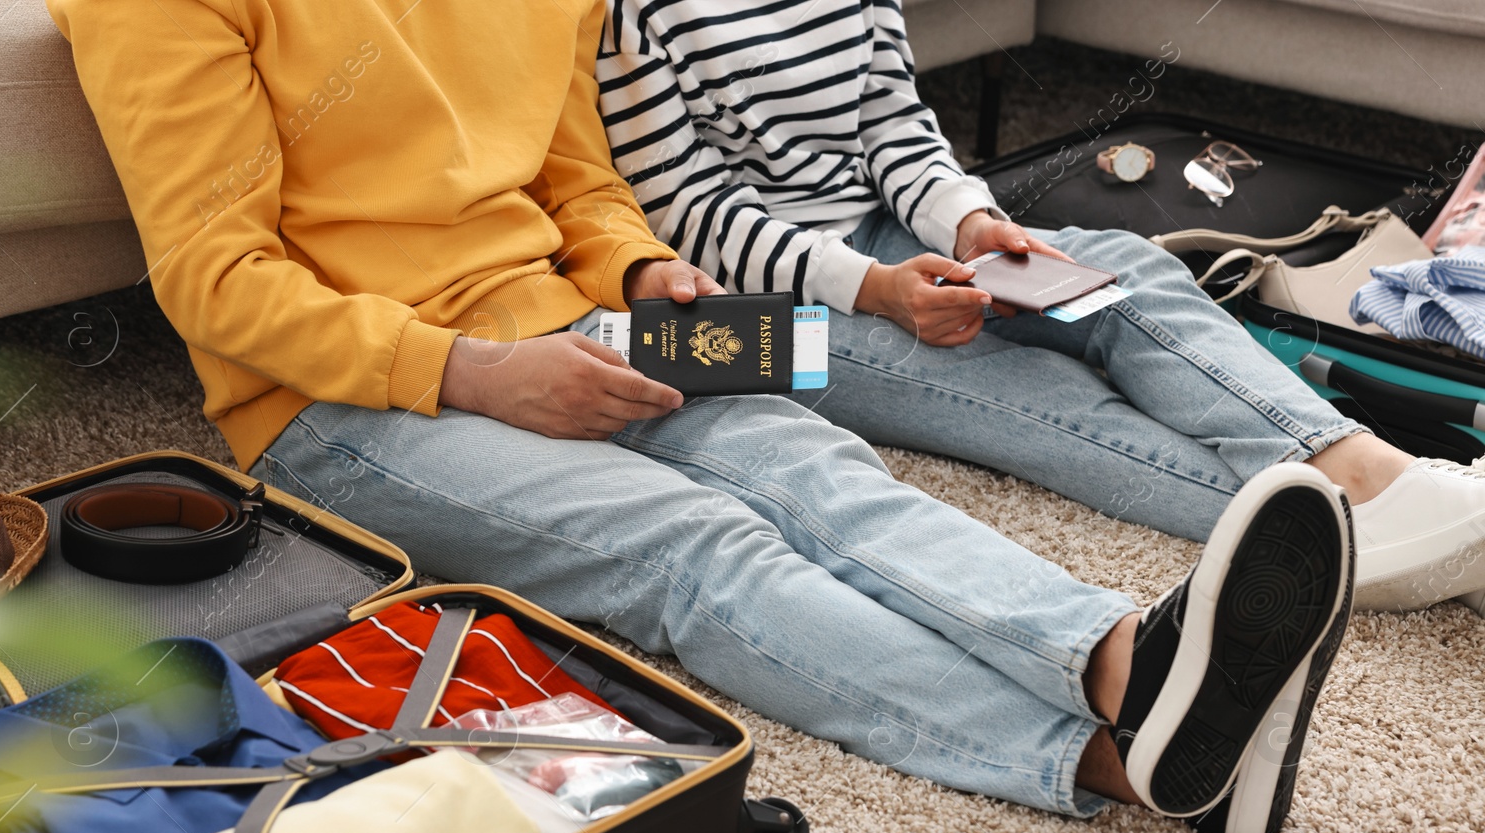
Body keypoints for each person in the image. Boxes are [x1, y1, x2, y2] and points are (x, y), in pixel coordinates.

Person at [45, 0, 1354, 833]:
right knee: (691, 541)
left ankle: (1136, 660)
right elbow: (215, 284)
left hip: (591, 312)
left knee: (819, 446)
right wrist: (481, 372)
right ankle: (1119, 754)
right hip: (351, 391)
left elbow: (580, 182)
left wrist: (642, 275)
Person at [595, 0, 1485, 614]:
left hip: (889, 234)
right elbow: (688, 213)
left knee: (1119, 272)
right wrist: (875, 292)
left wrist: (974, 223)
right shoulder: (629, 13)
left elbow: (893, 125)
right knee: (1020, 388)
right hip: (721, 317)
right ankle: (1338, 534)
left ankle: (1369, 470)